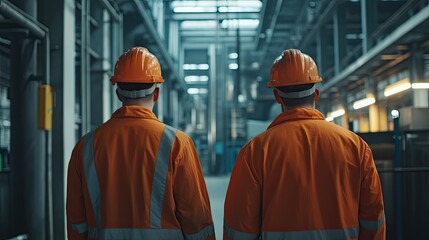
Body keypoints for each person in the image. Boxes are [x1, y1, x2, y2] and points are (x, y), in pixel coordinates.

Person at [223, 49, 385, 239]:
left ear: (277, 97)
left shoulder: (255, 152)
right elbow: (373, 219)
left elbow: (240, 227)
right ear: (315, 94)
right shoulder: (356, 147)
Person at [67, 47, 215, 240]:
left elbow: (76, 221)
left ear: (119, 94)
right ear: (156, 94)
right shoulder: (178, 144)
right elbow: (196, 219)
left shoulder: (85, 146)